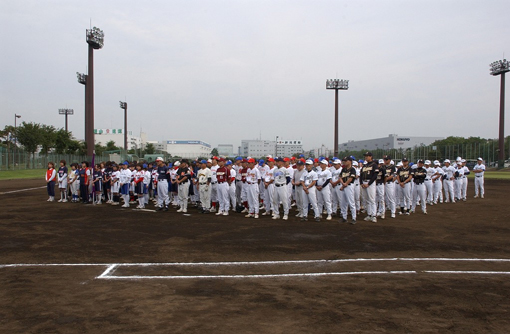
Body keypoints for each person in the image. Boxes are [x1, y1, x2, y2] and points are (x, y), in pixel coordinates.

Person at [360, 152, 379, 223]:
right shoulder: (364, 165)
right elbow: (361, 175)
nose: (366, 157)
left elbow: (375, 175)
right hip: (364, 182)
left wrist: (369, 183)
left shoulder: (374, 165)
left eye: (367, 156)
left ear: (371, 157)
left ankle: (374, 215)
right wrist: (361, 183)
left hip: (370, 182)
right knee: (366, 199)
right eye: (365, 156)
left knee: (372, 199)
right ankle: (369, 214)